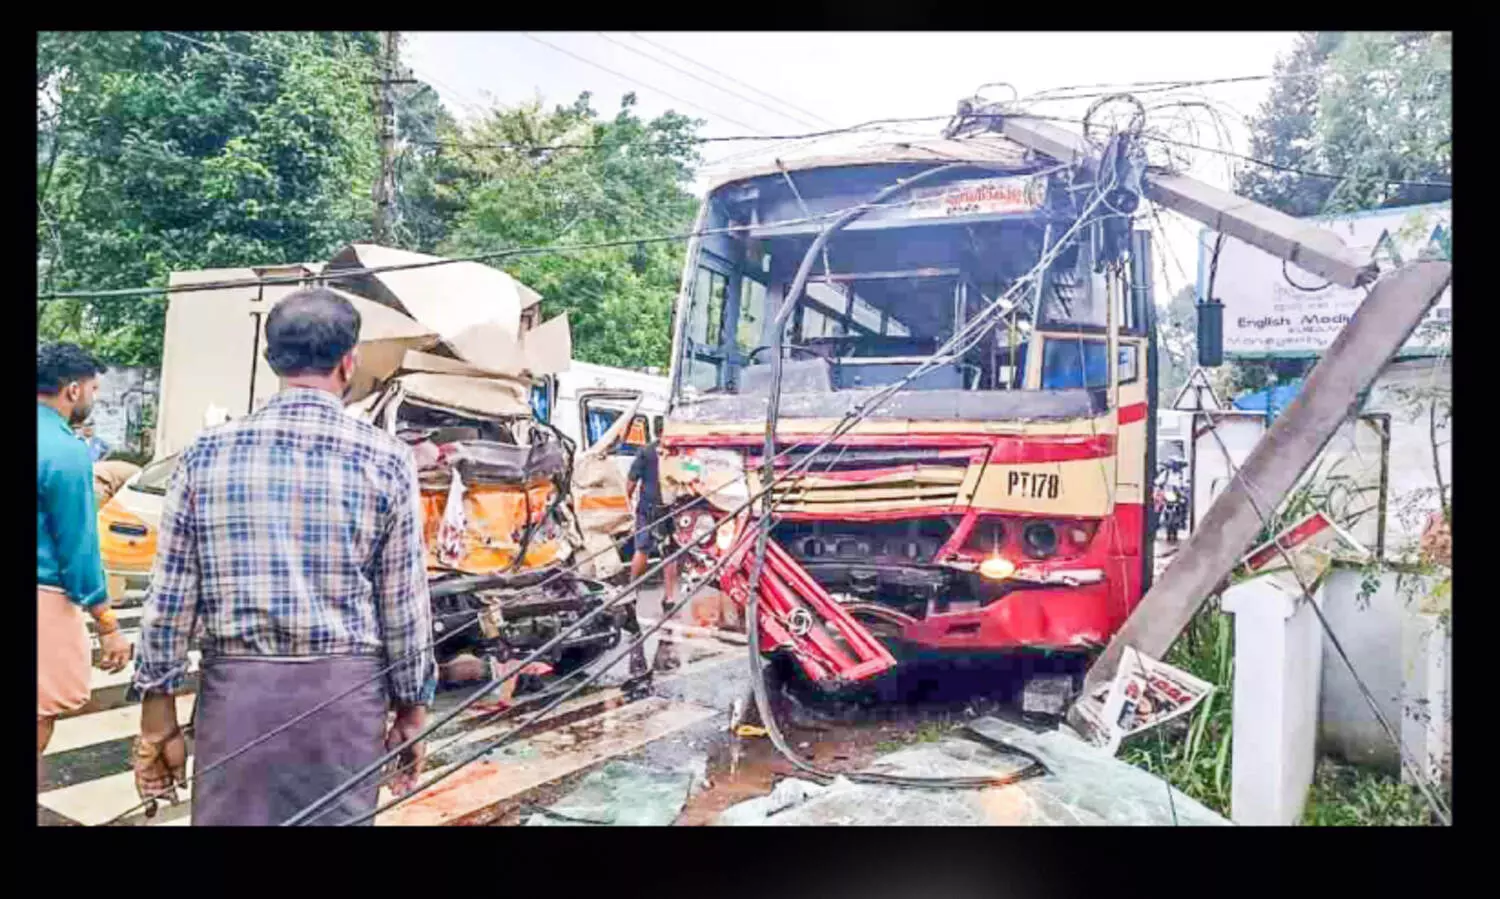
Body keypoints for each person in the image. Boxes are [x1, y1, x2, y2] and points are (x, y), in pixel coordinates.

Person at [130, 287, 437, 826]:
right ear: (349, 362)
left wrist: (158, 721)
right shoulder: (389, 460)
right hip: (344, 702)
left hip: (238, 701)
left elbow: (170, 598)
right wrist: (412, 708)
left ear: (273, 361)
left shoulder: (205, 453)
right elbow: (404, 604)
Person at [38, 344, 133, 780]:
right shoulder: (64, 449)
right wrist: (108, 625)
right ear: (73, 390)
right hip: (45, 600)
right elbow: (78, 548)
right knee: (40, 710)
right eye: (94, 388)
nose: (93, 398)